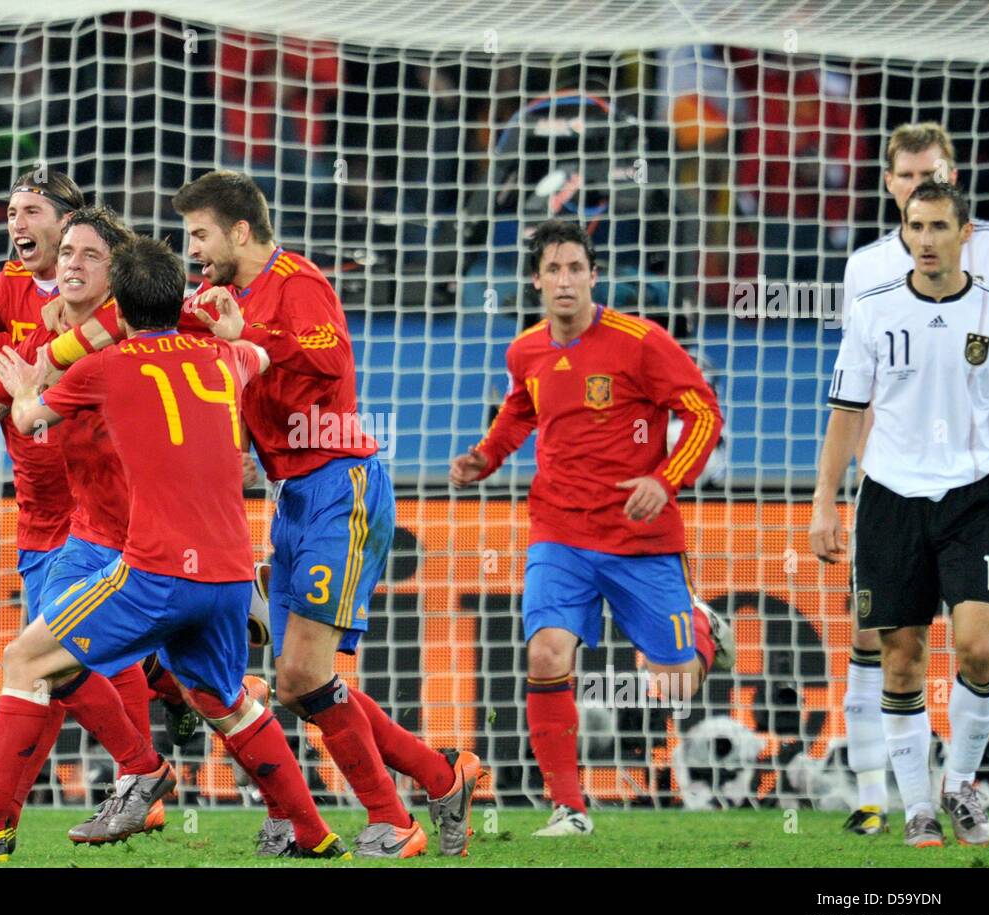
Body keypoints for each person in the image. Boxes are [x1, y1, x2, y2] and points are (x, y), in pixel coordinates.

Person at [0, 235, 349, 861]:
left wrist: (29, 384)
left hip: (156, 571)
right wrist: (232, 330)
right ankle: (314, 833)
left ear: (119, 301)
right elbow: (258, 353)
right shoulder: (225, 359)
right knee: (225, 702)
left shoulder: (101, 367)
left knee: (24, 661)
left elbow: (30, 421)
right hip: (228, 574)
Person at [175, 170, 482, 858]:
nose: (192, 247)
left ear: (241, 231)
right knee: (295, 679)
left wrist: (244, 334)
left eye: (201, 233)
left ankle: (393, 822)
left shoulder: (296, 280)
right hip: (291, 494)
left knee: (306, 675)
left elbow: (329, 355)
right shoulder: (210, 296)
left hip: (340, 485)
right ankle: (443, 774)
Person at [450, 220, 732, 837]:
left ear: (594, 275)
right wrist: (486, 457)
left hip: (640, 538)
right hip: (559, 531)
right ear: (535, 280)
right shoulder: (524, 350)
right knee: (546, 652)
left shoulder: (641, 342)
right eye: (553, 269)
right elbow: (520, 409)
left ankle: (702, 625)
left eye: (576, 267)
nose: (565, 280)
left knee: (678, 681)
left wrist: (666, 479)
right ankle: (570, 809)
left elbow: (703, 411)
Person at [0, 208, 167, 852]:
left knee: (41, 660)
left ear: (115, 270)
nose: (69, 263)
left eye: (84, 253)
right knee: (44, 664)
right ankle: (153, 750)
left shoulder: (133, 326)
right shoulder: (20, 332)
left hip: (145, 535)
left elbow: (36, 403)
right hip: (75, 530)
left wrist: (51, 363)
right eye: (66, 253)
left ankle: (145, 761)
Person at [812, 180, 989, 849]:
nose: (924, 239)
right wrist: (824, 501)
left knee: (980, 646)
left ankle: (962, 783)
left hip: (975, 494)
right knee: (902, 659)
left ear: (964, 234)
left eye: (939, 226)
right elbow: (846, 412)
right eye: (915, 226)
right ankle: (918, 806)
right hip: (890, 497)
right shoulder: (874, 310)